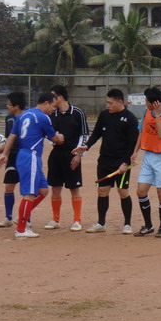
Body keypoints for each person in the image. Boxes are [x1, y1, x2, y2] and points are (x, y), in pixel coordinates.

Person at [72, 88, 139, 234]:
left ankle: (127, 224)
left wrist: (126, 163)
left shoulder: (130, 118)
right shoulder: (104, 115)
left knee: (123, 191)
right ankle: (101, 223)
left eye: (110, 103)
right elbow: (96, 133)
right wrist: (86, 146)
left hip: (121, 162)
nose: (108, 105)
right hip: (104, 160)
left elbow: (133, 143)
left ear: (120, 102)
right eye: (107, 103)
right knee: (102, 191)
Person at [0, 92, 64, 238]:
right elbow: (54, 138)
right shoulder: (43, 117)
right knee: (29, 194)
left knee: (43, 190)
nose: (54, 109)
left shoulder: (24, 115)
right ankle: (21, 229)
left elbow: (12, 136)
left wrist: (5, 154)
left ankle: (22, 216)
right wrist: (60, 137)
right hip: (31, 156)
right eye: (53, 106)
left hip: (23, 155)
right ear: (46, 103)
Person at [131, 86, 161, 238]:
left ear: (155, 103)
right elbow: (141, 132)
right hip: (148, 156)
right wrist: (135, 151)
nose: (145, 103)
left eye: (147, 101)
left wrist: (157, 115)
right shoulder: (146, 112)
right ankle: (148, 225)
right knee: (141, 191)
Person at [46, 85, 89, 232]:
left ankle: (77, 220)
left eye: (53, 96)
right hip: (56, 154)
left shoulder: (77, 112)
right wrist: (54, 141)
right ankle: (55, 219)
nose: (51, 100)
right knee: (55, 188)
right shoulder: (52, 114)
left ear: (60, 97)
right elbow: (48, 134)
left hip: (72, 155)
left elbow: (84, 135)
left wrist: (79, 155)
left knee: (74, 188)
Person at [0, 92, 26, 228]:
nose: (7, 106)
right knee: (9, 186)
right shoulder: (8, 118)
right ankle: (8, 217)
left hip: (25, 156)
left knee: (26, 189)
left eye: (9, 104)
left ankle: (26, 218)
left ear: (16, 106)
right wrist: (3, 151)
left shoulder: (27, 118)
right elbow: (8, 138)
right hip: (12, 157)